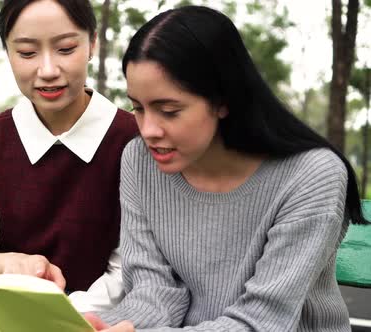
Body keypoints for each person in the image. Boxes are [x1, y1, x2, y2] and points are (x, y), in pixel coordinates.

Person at [85, 5, 369, 332]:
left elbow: (264, 321)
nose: (148, 130)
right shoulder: (139, 160)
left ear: (223, 100)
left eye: (169, 110)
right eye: (137, 108)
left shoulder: (311, 176)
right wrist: (103, 326)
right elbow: (153, 291)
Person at [0, 0, 138, 331]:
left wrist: (55, 316)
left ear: (93, 43)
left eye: (66, 48)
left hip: (89, 321)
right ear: (8, 52)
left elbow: (128, 273)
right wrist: (6, 263)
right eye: (27, 53)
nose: (48, 70)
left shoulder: (135, 141)